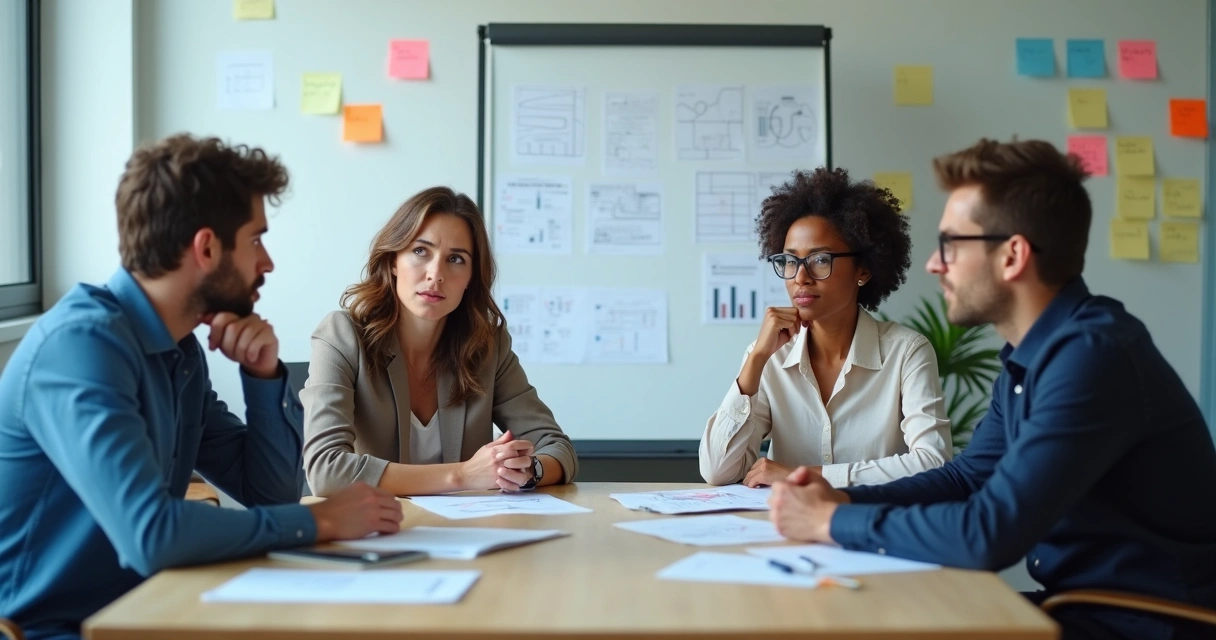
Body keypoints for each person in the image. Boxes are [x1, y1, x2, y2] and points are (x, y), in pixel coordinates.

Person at [768, 139, 1216, 640]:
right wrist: (844, 501)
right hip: (1082, 607)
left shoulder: (1091, 358)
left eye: (952, 245)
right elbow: (966, 478)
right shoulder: (1035, 355)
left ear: (1012, 256)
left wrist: (828, 523)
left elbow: (987, 533)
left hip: (1143, 623)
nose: (935, 266)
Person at [0, 134, 402, 640]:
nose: (268, 262)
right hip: (50, 630)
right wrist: (322, 522)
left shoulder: (180, 351)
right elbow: (151, 535)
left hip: (142, 612)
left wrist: (262, 378)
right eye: (256, 239)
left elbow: (267, 494)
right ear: (207, 247)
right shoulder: (82, 347)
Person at [302, 186, 577, 496]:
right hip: (376, 534)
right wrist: (463, 475)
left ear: (472, 276)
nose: (436, 274)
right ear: (393, 260)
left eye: (456, 259)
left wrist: (529, 470)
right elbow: (325, 470)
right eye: (421, 251)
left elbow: (557, 447)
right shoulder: (341, 336)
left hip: (466, 534)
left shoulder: (487, 345)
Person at [700, 167, 951, 488]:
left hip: (871, 528)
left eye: (820, 259)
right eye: (790, 261)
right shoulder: (769, 356)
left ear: (863, 269)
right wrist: (756, 359)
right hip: (785, 529)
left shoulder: (906, 352)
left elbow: (933, 462)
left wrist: (806, 476)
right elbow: (717, 471)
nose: (800, 277)